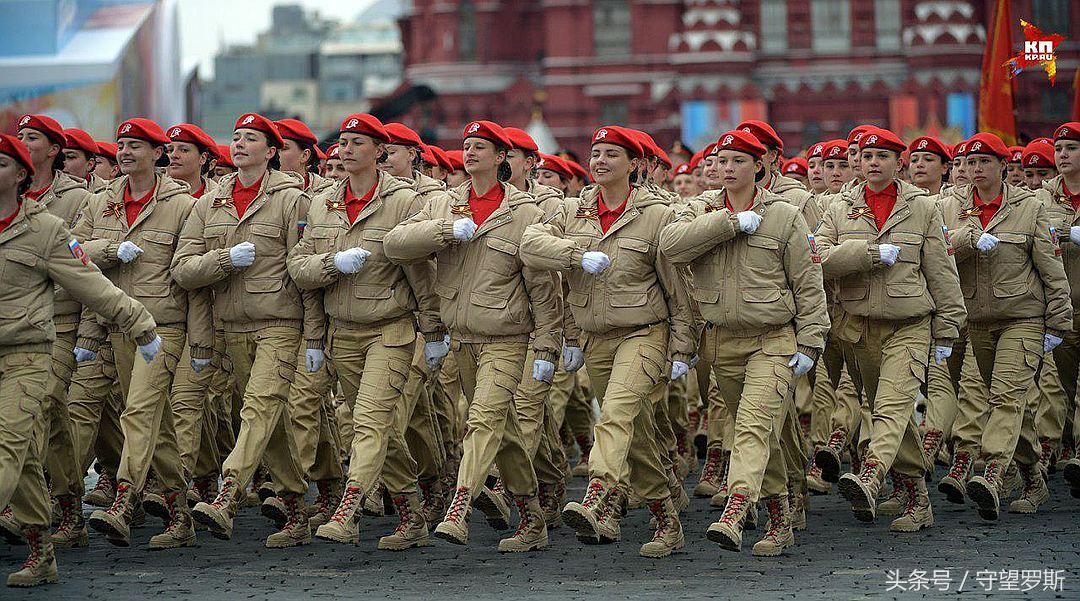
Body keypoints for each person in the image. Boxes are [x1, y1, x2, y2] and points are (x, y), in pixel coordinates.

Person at [384, 120, 561, 552]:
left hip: (506, 338)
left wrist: (549, 343)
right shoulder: (447, 205)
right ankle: (533, 518)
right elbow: (396, 244)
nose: (470, 152)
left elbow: (543, 285)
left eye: (481, 147)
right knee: (509, 433)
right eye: (466, 145)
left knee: (481, 421)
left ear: (502, 157)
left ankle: (458, 509)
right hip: (460, 338)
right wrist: (442, 231)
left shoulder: (525, 212)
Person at [520, 125, 695, 558]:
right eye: (595, 153)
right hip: (596, 338)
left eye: (611, 154)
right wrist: (574, 257)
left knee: (615, 415)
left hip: (644, 333)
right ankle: (666, 520)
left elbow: (678, 288)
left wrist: (682, 348)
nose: (599, 161)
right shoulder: (574, 210)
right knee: (633, 433)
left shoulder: (656, 214)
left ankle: (597, 493)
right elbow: (530, 244)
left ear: (635, 165)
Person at [660, 129, 828, 556]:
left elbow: (808, 283)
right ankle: (779, 517)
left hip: (772, 339)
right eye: (722, 160)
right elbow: (672, 248)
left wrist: (810, 342)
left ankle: (735, 508)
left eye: (739, 161)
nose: (728, 168)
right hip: (722, 343)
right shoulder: (700, 210)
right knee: (763, 434)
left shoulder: (785, 215)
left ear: (760, 166)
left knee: (752, 425)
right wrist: (727, 223)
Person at [0, 134, 158, 587]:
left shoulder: (44, 229)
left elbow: (93, 286)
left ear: (21, 175)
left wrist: (142, 324)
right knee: (27, 455)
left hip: (26, 355)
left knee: (8, 444)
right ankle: (41, 550)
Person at [288, 113, 444, 550]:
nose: (347, 149)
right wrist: (328, 272)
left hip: (390, 330)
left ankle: (349, 509)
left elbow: (422, 273)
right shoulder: (322, 203)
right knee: (379, 427)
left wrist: (433, 332)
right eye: (343, 142)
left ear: (380, 151)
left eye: (359, 142)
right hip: (343, 332)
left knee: (370, 422)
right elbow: (300, 269)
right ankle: (413, 516)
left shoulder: (404, 202)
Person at [172, 113, 315, 548]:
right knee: (267, 419)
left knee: (258, 407)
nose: (238, 145)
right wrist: (223, 260)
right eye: (235, 137)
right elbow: (182, 270)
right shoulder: (208, 204)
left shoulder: (293, 201)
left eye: (250, 139)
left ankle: (228, 493)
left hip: (279, 323)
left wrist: (315, 335)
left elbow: (304, 271)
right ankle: (296, 510)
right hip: (230, 327)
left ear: (271, 152)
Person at [815, 126, 966, 532]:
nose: (874, 163)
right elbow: (820, 259)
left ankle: (871, 474)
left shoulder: (921, 208)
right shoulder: (839, 208)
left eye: (883, 156)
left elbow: (941, 272)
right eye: (867, 157)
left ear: (898, 163)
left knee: (893, 406)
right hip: (859, 328)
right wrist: (867, 253)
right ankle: (916, 497)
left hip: (909, 325)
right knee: (887, 411)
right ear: (858, 163)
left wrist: (948, 329)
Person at [72, 118, 205, 548]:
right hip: (117, 325)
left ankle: (126, 499)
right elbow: (74, 252)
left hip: (162, 327)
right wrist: (111, 250)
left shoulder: (182, 205)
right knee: (156, 423)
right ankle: (181, 515)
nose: (125, 152)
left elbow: (187, 274)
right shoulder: (101, 201)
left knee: (139, 411)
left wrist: (201, 341)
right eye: (121, 145)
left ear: (156, 153)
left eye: (134, 145)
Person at [939, 132, 1070, 520]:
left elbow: (1052, 269)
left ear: (1002, 167)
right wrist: (967, 237)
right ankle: (1032, 476)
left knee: (1006, 397)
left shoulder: (1028, 208)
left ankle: (993, 472)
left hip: (1023, 318)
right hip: (976, 320)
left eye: (985, 162)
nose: (975, 169)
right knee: (1013, 407)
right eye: (970, 163)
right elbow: (940, 248)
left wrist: (1057, 322)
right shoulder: (949, 207)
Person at [13, 116, 92, 550]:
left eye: (33, 138)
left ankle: (27, 509)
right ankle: (69, 507)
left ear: (53, 148)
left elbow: (84, 265)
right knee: (56, 417)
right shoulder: (10, 197)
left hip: (62, 321)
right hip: (14, 325)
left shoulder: (77, 198)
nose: (24, 143)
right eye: (19, 137)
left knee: (38, 407)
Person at [1038, 122, 1080, 497]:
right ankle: (1058, 448)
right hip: (1060, 306)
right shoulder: (1042, 199)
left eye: (1071, 148)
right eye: (1060, 148)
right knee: (1058, 386)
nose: (1063, 155)